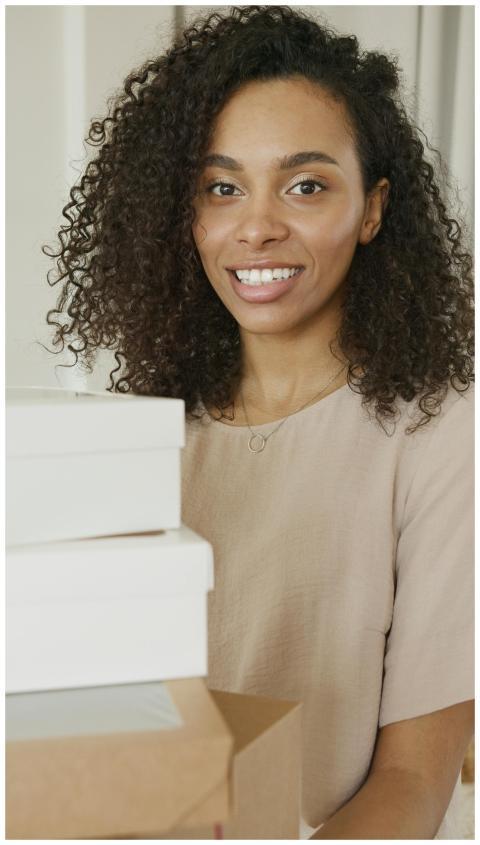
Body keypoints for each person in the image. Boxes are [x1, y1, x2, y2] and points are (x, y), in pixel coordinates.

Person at [44, 6, 474, 839]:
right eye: (222, 186)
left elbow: (416, 780)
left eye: (306, 184)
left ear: (375, 208)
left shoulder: (445, 435)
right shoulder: (141, 427)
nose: (257, 225)